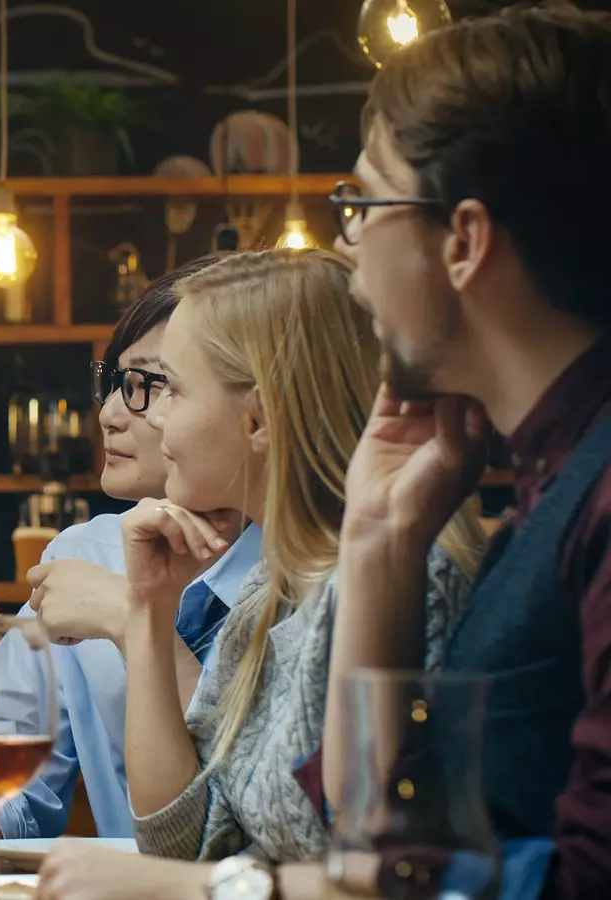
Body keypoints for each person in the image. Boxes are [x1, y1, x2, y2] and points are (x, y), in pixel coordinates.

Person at [33, 248, 485, 898]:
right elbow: (183, 839)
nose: (150, 419)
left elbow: (385, 873)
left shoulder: (410, 574)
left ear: (259, 419)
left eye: (173, 390)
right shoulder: (273, 586)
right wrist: (149, 609)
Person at [320, 7, 611, 898]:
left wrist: (235, 890)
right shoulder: (544, 476)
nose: (346, 242)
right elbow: (376, 819)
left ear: (465, 241)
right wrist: (379, 536)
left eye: (364, 203)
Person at [0, 257, 264, 862]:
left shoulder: (306, 575)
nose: (110, 414)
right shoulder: (85, 555)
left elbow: (247, 817)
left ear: (255, 409)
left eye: (150, 386)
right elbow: (7, 782)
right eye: (114, 384)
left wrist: (130, 619)